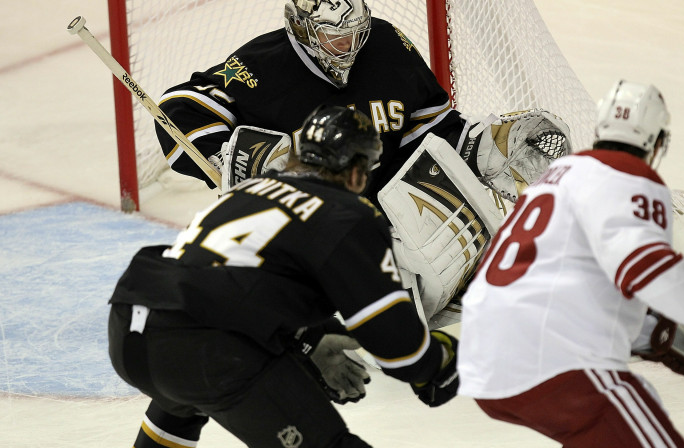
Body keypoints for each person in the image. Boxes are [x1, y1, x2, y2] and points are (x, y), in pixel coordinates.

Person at [154, 0, 573, 324]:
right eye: (338, 38)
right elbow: (178, 108)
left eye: (357, 32)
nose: (351, 47)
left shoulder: (386, 44)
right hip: (316, 234)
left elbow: (429, 126)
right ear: (304, 30)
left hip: (391, 218)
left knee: (452, 267)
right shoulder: (263, 66)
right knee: (391, 315)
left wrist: (481, 147)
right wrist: (244, 155)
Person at [109, 105, 460, 448]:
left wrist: (312, 341)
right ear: (356, 172)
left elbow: (240, 287)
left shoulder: (247, 191)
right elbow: (397, 347)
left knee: (182, 390)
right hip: (204, 343)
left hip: (131, 329)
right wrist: (434, 364)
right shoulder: (346, 213)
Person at [456, 80, 684, 447]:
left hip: (484, 358)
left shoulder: (554, 181)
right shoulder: (628, 176)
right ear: (656, 142)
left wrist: (655, 333)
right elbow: (648, 268)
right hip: (552, 358)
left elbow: (571, 287)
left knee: (638, 404)